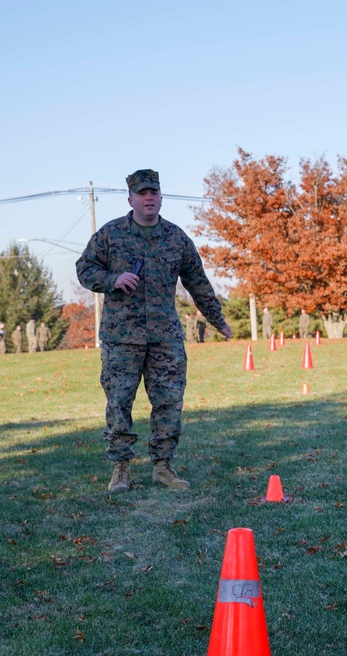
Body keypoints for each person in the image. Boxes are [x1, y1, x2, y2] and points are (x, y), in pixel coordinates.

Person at [76, 169, 232, 494]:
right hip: (122, 339)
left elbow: (199, 284)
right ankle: (120, 469)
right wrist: (112, 280)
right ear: (131, 199)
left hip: (165, 339)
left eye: (154, 193)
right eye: (142, 194)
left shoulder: (176, 239)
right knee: (119, 402)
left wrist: (218, 321)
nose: (149, 198)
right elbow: (85, 268)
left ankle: (163, 467)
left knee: (169, 402)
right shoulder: (111, 234)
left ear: (161, 198)